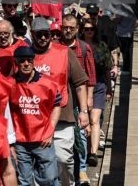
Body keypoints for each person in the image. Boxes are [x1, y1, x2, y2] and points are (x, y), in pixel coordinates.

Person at [31, 16, 90, 186]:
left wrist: (84, 111)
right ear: (32, 34)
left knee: (63, 159)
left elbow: (80, 83)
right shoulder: (26, 55)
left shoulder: (64, 52)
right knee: (39, 164)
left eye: (46, 34)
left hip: (63, 116)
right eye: (39, 34)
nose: (43, 38)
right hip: (34, 118)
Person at [9, 46, 61, 186]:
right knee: (24, 180)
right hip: (20, 140)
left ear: (34, 61)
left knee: (49, 178)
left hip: (43, 138)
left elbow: (57, 106)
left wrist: (50, 131)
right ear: (16, 62)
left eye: (29, 60)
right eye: (22, 61)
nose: (26, 64)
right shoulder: (9, 83)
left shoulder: (48, 83)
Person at [59, 13, 96, 185]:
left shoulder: (83, 48)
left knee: (80, 136)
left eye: (71, 28)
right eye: (65, 27)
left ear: (77, 29)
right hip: (62, 101)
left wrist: (88, 101)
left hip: (79, 100)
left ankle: (81, 170)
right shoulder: (55, 46)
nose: (68, 30)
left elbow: (91, 77)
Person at [80, 18, 112, 167]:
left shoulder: (101, 46)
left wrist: (109, 88)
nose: (89, 32)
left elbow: (107, 68)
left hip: (99, 85)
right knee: (85, 121)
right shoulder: (78, 46)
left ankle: (93, 153)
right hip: (82, 86)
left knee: (94, 120)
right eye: (86, 29)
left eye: (91, 29)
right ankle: (86, 151)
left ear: (95, 30)